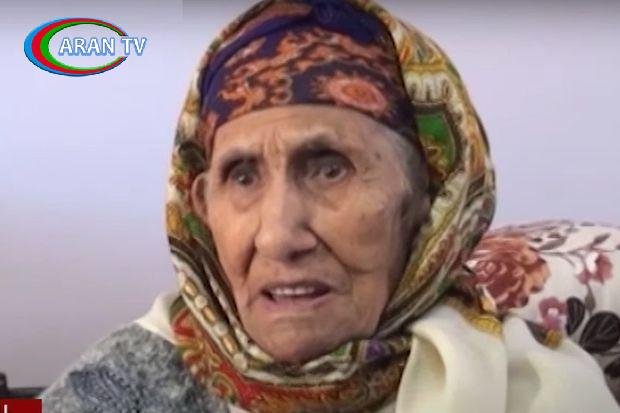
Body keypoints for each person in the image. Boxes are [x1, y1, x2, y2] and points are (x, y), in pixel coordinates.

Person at [42, 0, 620, 412]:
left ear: (428, 198)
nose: (278, 236)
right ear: (202, 207)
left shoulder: (537, 391)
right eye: (242, 176)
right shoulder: (112, 389)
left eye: (329, 168)